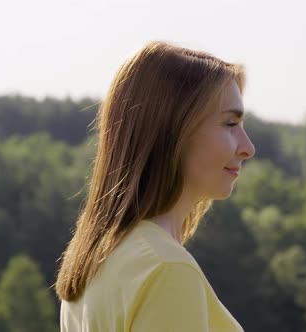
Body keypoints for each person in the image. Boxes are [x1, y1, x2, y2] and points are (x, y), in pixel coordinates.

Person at [55, 41, 254, 331]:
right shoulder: (167, 269)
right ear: (172, 131)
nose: (248, 148)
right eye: (229, 124)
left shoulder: (96, 259)